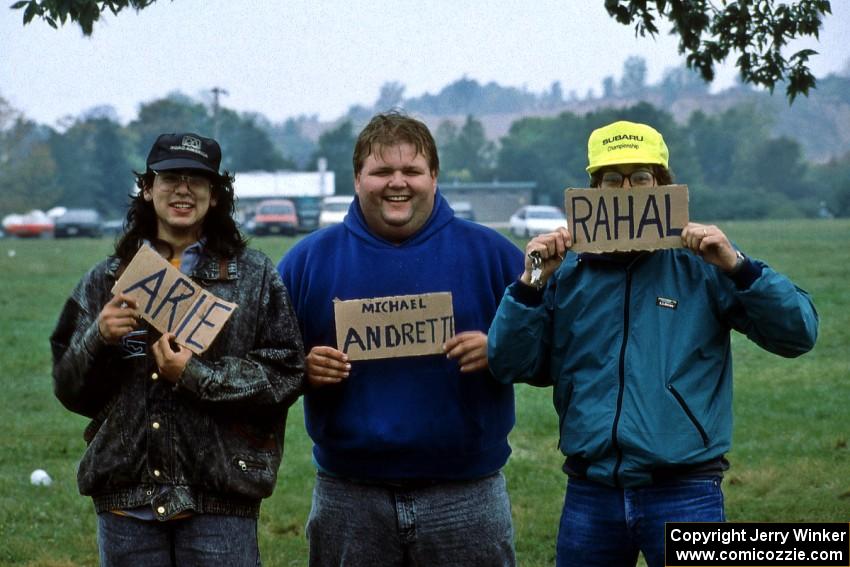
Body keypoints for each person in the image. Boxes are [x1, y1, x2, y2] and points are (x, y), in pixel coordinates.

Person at [487, 120, 819, 567]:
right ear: (593, 190)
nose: (626, 190)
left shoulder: (703, 264)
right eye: (611, 180)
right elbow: (509, 364)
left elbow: (798, 333)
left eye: (641, 178)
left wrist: (738, 267)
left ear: (663, 184)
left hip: (686, 491)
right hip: (591, 492)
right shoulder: (566, 273)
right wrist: (529, 285)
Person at [277, 111, 524, 566]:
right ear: (357, 179)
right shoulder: (307, 262)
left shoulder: (494, 256)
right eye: (381, 171)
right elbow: (264, 366)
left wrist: (500, 351)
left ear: (434, 176)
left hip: (466, 494)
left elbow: (551, 351)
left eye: (411, 170)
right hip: (350, 495)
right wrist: (302, 370)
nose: (397, 183)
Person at [51, 132, 305, 566]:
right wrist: (99, 337)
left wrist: (194, 375)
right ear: (148, 189)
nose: (183, 189)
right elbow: (68, 388)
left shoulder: (255, 276)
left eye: (197, 180)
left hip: (220, 498)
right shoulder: (106, 279)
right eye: (170, 178)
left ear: (216, 196)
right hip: (126, 498)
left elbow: (286, 375)